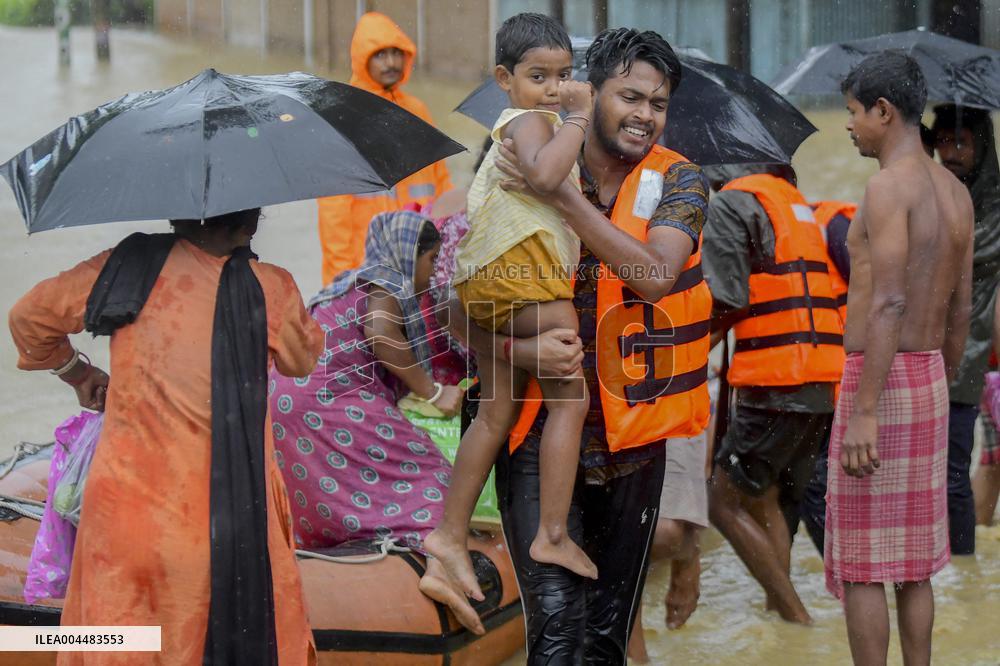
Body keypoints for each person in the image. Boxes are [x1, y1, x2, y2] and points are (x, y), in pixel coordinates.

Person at [448, 28, 712, 662]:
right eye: (630, 97)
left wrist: (561, 196)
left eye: (659, 103)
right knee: (557, 638)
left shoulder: (681, 182)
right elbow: (458, 312)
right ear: (584, 92)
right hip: (535, 438)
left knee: (606, 640)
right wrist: (518, 355)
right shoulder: (518, 160)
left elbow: (654, 277)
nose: (645, 116)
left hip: (635, 445)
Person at [8, 209, 324, 664]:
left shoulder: (123, 267)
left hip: (121, 526)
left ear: (174, 216)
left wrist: (77, 372)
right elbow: (302, 359)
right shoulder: (269, 287)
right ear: (250, 225)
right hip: (226, 529)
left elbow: (28, 319)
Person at [424, 12, 597, 597]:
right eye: (538, 76)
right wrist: (577, 116)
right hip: (520, 280)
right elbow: (548, 179)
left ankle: (448, 533)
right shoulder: (530, 121)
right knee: (570, 402)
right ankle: (551, 531)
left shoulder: (531, 119)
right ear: (504, 77)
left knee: (495, 413)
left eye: (564, 76)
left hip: (487, 283)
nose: (552, 87)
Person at [269, 211, 488, 635]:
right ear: (411, 255)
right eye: (432, 260)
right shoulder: (386, 280)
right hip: (328, 402)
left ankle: (348, 572)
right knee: (437, 478)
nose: (432, 272)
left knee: (335, 488)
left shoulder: (349, 285)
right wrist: (434, 391)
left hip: (283, 402)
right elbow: (380, 331)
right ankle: (438, 567)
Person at [825, 52, 973, 665]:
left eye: (854, 113)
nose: (850, 127)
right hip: (930, 376)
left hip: (877, 383)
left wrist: (864, 410)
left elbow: (886, 301)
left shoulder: (889, 188)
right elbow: (962, 308)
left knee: (862, 565)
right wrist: (941, 379)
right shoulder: (954, 189)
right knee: (915, 565)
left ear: (884, 111)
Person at [701, 161, 844, 625]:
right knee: (773, 501)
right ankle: (781, 625)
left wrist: (682, 352)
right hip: (821, 378)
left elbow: (729, 297)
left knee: (721, 503)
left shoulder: (729, 202)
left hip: (776, 380)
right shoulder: (790, 200)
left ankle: (795, 616)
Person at [316, 11, 453, 284]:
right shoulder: (345, 117)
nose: (391, 62)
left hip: (418, 260)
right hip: (367, 267)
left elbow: (440, 182)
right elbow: (334, 211)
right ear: (361, 59)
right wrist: (342, 277)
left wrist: (445, 246)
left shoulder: (417, 111)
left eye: (396, 53)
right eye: (380, 55)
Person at [931, 104, 1000, 554]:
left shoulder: (992, 205)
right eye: (942, 142)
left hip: (972, 357)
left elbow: (955, 259)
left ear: (981, 147)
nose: (950, 152)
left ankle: (964, 567)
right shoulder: (936, 193)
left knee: (956, 472)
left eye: (961, 143)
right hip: (927, 352)